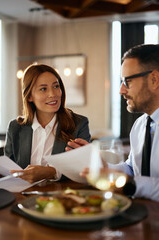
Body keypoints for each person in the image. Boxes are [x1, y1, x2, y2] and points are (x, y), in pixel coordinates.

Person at [66, 44, 159, 202]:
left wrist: (128, 182)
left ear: (154, 79)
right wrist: (101, 165)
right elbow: (131, 168)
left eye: (127, 81)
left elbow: (132, 179)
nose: (121, 90)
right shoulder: (139, 126)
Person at [4, 63, 91, 183]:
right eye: (43, 89)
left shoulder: (79, 124)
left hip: (62, 197)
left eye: (56, 86)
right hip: (23, 197)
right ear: (29, 96)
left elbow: (84, 169)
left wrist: (52, 172)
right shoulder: (15, 127)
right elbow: (8, 171)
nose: (53, 94)